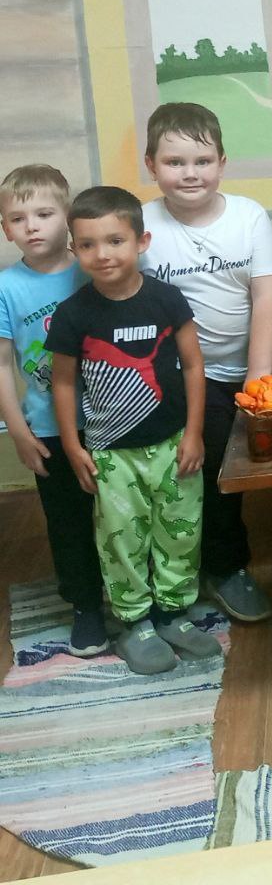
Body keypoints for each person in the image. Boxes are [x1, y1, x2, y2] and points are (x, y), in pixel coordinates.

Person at [47, 186, 221, 675]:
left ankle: (172, 613)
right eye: (87, 244)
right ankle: (134, 622)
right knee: (121, 539)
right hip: (111, 453)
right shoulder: (74, 313)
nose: (102, 254)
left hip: (174, 444)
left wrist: (194, 433)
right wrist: (72, 445)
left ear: (141, 242)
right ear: (74, 249)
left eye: (115, 240)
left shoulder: (166, 299)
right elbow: (63, 383)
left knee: (180, 531)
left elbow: (193, 365)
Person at [140, 103, 272, 624]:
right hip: (164, 380)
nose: (190, 173)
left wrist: (257, 377)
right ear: (151, 165)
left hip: (233, 374)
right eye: (174, 162)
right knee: (172, 476)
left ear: (222, 162)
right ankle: (161, 571)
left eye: (201, 161)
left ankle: (225, 567)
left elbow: (266, 297)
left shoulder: (249, 216)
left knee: (222, 474)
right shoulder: (139, 224)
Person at [0, 165, 104, 656]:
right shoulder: (6, 287)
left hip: (112, 420)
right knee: (67, 521)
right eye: (18, 218)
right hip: (46, 427)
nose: (32, 226)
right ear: (5, 228)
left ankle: (141, 596)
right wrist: (19, 431)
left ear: (68, 217)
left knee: (124, 512)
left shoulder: (94, 269)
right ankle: (86, 605)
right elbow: (2, 364)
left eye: (44, 214)